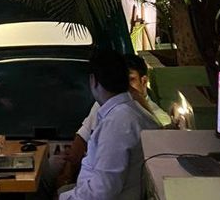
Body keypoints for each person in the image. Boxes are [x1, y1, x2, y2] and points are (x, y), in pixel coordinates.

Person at [57, 52, 169, 189]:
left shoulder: (119, 121)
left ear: (93, 81)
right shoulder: (112, 109)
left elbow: (103, 189)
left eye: (132, 79)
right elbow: (81, 139)